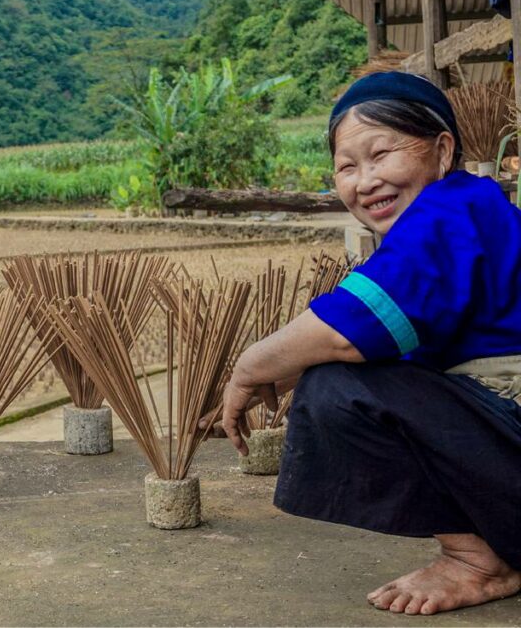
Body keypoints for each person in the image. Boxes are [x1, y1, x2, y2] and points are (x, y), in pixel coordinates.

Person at [218, 71, 521, 615]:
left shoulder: (451, 210)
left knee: (337, 388)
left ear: (442, 149)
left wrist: (249, 366)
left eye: (381, 154)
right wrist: (287, 367)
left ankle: (479, 561)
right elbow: (396, 335)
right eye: (347, 167)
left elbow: (349, 328)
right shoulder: (463, 210)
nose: (365, 181)